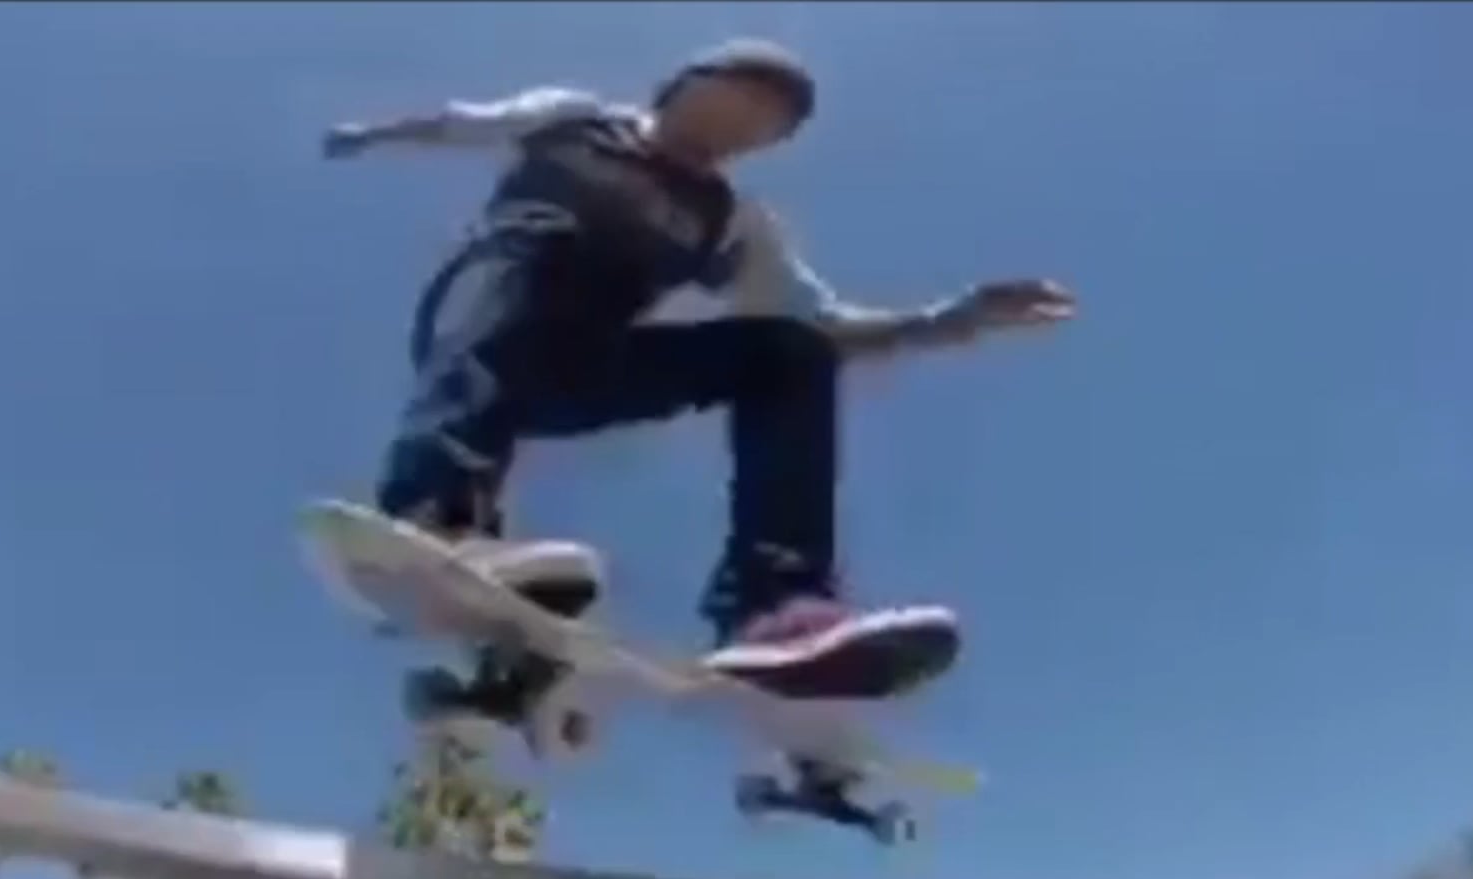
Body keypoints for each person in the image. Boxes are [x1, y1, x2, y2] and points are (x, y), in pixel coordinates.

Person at [322, 39, 1074, 718]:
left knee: (790, 351)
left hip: (580, 369)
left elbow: (830, 325)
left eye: (765, 129)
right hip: (477, 325)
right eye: (742, 102)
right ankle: (437, 514)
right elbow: (461, 123)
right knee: (534, 250)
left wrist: (951, 318)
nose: (743, 129)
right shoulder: (574, 118)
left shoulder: (735, 222)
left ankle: (775, 609)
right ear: (684, 86)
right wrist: (370, 134)